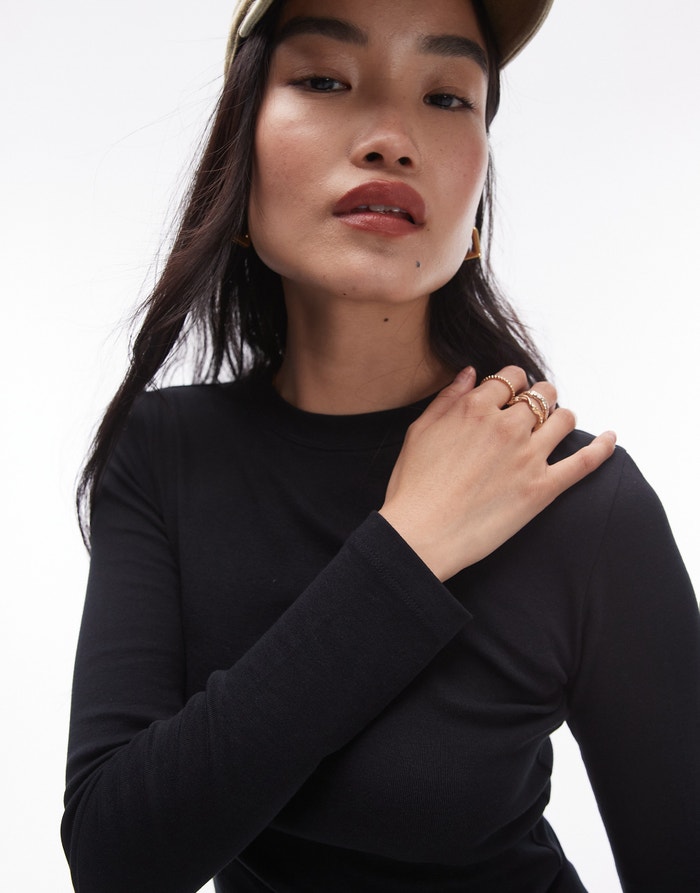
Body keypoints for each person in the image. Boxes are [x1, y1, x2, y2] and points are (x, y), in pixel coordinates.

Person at [61, 0, 700, 891]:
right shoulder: (166, 454)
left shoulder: (578, 498)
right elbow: (115, 858)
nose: (393, 140)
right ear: (241, 149)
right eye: (325, 80)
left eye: (446, 97)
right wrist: (408, 545)